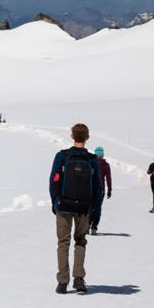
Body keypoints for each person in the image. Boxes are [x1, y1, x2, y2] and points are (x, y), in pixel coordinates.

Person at [48, 123, 103, 293]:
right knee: (80, 241)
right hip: (84, 207)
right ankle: (78, 279)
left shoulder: (62, 156)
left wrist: (55, 202)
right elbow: (98, 187)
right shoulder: (92, 159)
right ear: (87, 137)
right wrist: (94, 208)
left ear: (72, 136)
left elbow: (53, 180)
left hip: (63, 205)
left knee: (63, 242)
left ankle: (62, 282)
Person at [88, 146, 112, 234]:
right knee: (98, 208)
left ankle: (88, 224)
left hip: (91, 188)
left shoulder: (91, 163)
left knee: (90, 207)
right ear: (102, 155)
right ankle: (94, 227)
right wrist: (109, 189)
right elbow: (108, 178)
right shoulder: (106, 165)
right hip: (101, 189)